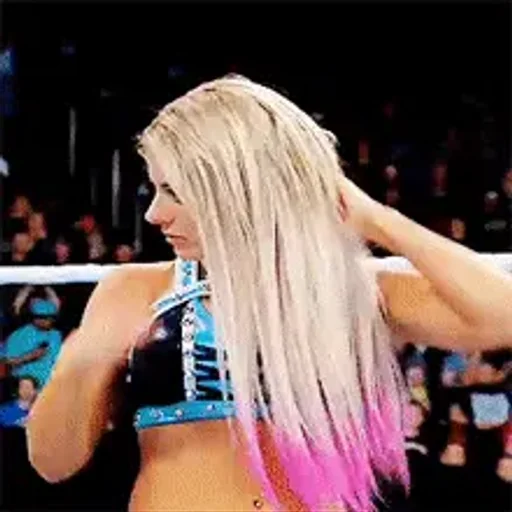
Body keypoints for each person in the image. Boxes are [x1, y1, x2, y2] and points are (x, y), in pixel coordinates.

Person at [27, 75, 512, 512]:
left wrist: (376, 219)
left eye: (174, 191)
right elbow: (52, 463)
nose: (155, 213)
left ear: (236, 185)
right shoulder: (137, 290)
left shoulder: (349, 288)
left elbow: (504, 316)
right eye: (156, 189)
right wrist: (82, 361)